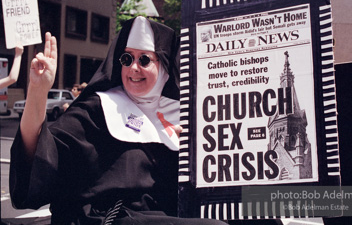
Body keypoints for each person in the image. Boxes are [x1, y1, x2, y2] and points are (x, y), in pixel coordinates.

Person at [10, 17, 227, 225]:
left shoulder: (182, 115)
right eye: (126, 58)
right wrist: (38, 92)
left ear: (164, 66)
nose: (133, 67)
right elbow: (41, 153)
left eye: (144, 59)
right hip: (106, 218)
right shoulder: (98, 109)